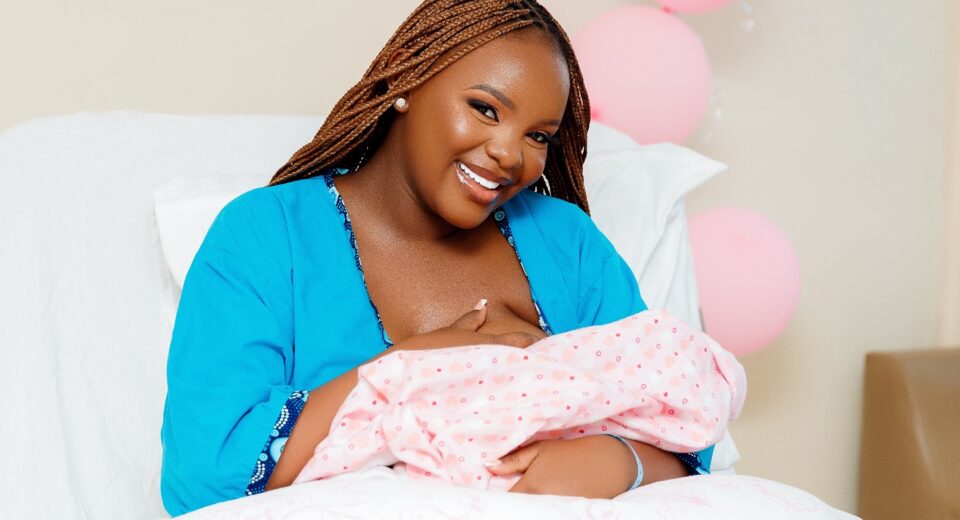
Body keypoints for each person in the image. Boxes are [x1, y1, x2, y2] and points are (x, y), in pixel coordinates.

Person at [160, 0, 713, 515]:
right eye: (485, 108)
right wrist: (408, 365)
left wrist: (623, 462)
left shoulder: (566, 242)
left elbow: (684, 412)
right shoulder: (266, 235)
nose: (509, 154)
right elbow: (203, 477)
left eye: (538, 136)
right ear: (408, 79)